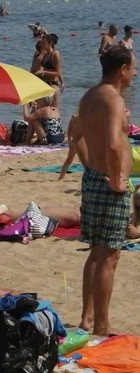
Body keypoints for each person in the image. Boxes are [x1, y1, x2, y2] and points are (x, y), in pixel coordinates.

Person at [74, 46, 136, 336]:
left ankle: (87, 319)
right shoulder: (111, 98)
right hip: (108, 184)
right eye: (134, 67)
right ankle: (101, 325)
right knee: (109, 257)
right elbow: (113, 143)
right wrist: (114, 178)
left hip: (94, 179)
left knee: (96, 253)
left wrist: (93, 168)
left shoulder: (90, 95)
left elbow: (76, 136)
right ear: (122, 68)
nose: (135, 73)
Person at [33, 34, 64, 108]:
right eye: (42, 43)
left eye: (44, 43)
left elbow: (58, 72)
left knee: (54, 109)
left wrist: (43, 72)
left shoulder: (55, 54)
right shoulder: (45, 54)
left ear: (50, 43)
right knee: (38, 108)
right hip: (45, 84)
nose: (42, 45)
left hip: (52, 84)